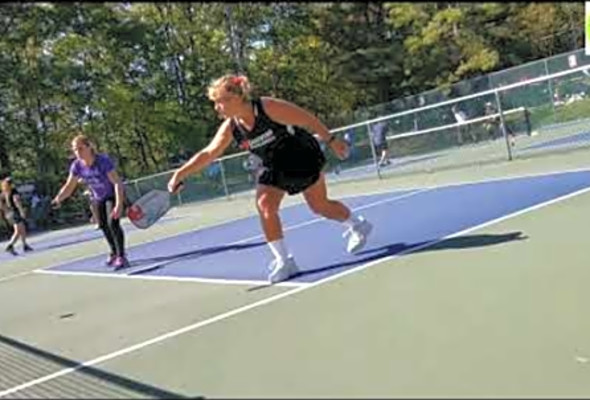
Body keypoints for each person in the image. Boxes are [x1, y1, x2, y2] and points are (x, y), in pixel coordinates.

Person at [167, 74, 373, 283]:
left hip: (301, 156)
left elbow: (307, 119)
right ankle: (285, 261)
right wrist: (179, 174)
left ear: (240, 97)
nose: (218, 107)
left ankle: (357, 224)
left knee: (319, 206)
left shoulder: (268, 107)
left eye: (223, 100)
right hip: (273, 164)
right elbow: (209, 153)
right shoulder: (231, 127)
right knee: (264, 204)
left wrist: (332, 140)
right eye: (216, 102)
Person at [51, 135, 129, 269]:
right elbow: (69, 186)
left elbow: (117, 183)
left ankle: (121, 256)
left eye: (80, 148)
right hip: (98, 197)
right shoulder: (76, 166)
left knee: (113, 223)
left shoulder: (103, 161)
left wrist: (118, 205)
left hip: (112, 195)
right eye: (75, 149)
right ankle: (114, 253)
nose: (77, 152)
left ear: (89, 147)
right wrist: (58, 198)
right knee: (103, 225)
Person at [1, 177, 33, 255]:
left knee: (22, 229)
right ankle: (10, 246)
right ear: (10, 184)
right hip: (15, 213)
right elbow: (17, 201)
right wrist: (21, 211)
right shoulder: (13, 191)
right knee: (18, 231)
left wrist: (6, 210)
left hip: (10, 213)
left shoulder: (4, 192)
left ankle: (25, 245)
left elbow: (1, 204)